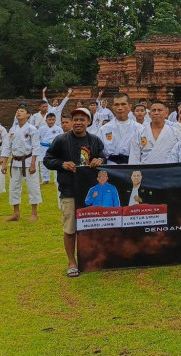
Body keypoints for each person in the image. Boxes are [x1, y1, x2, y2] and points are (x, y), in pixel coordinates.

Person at [43, 107, 105, 277]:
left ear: (89, 122)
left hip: (91, 190)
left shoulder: (95, 140)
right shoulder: (61, 140)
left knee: (92, 226)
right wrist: (62, 164)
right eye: (75, 119)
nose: (78, 123)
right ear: (71, 122)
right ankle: (72, 262)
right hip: (69, 189)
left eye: (82, 120)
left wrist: (100, 160)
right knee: (70, 228)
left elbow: (103, 156)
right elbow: (47, 159)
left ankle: (92, 258)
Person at [0, 106, 42, 221]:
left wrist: (33, 163)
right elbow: (7, 147)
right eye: (17, 111)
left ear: (28, 115)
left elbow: (36, 147)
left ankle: (34, 213)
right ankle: (16, 213)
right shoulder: (12, 130)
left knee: (33, 187)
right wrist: (4, 163)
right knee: (14, 187)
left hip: (28, 161)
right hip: (15, 162)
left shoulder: (32, 129)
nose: (18, 112)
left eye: (22, 111)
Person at [99, 93, 143, 165]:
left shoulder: (139, 129)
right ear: (112, 107)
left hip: (132, 167)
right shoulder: (104, 129)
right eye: (116, 105)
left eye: (123, 104)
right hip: (110, 168)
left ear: (129, 106)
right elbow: (100, 153)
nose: (120, 108)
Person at [37, 112, 63, 184]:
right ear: (46, 120)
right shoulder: (41, 128)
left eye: (53, 120)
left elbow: (61, 139)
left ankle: (56, 179)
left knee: (56, 162)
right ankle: (45, 179)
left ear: (55, 120)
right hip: (43, 147)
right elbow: (38, 139)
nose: (51, 121)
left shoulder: (58, 129)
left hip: (54, 147)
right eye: (49, 120)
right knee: (43, 163)